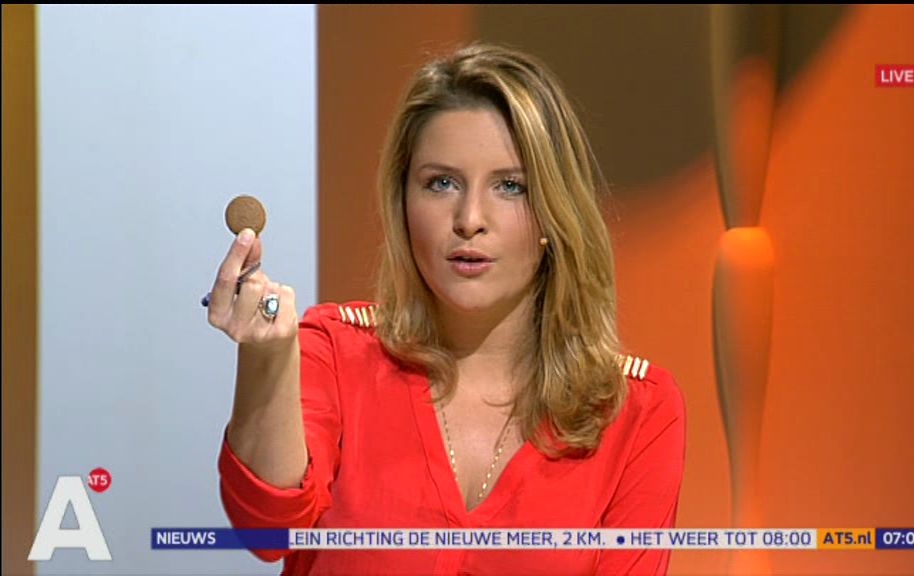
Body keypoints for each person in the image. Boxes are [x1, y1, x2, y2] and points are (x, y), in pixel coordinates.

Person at [208, 42, 686, 575]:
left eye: (510, 186)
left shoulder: (637, 410)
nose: (470, 219)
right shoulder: (335, 352)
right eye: (442, 183)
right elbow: (267, 528)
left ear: (555, 211)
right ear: (402, 202)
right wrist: (267, 356)